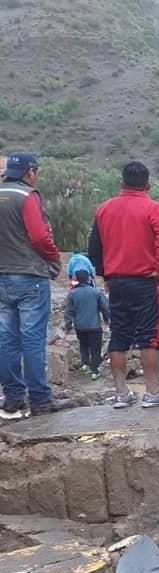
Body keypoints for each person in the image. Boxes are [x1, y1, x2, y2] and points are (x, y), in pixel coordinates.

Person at [88, 161, 159, 409]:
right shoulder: (154, 209)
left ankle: (121, 393)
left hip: (116, 282)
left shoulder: (104, 210)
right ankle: (152, 391)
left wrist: (104, 274)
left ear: (122, 183)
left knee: (118, 334)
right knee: (150, 335)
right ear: (148, 184)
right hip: (145, 281)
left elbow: (94, 246)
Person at [0, 151, 74, 419]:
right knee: (32, 338)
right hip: (29, 277)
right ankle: (41, 400)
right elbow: (40, 236)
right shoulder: (27, 196)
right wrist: (54, 258)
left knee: (6, 338)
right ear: (30, 172)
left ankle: (13, 398)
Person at [63, 270, 110, 380]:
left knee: (83, 344)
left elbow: (69, 311)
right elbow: (105, 308)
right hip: (94, 326)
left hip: (80, 326)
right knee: (95, 348)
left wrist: (68, 325)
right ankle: (95, 370)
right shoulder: (96, 292)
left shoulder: (72, 293)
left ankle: (85, 364)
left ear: (77, 280)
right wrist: (107, 319)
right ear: (88, 279)